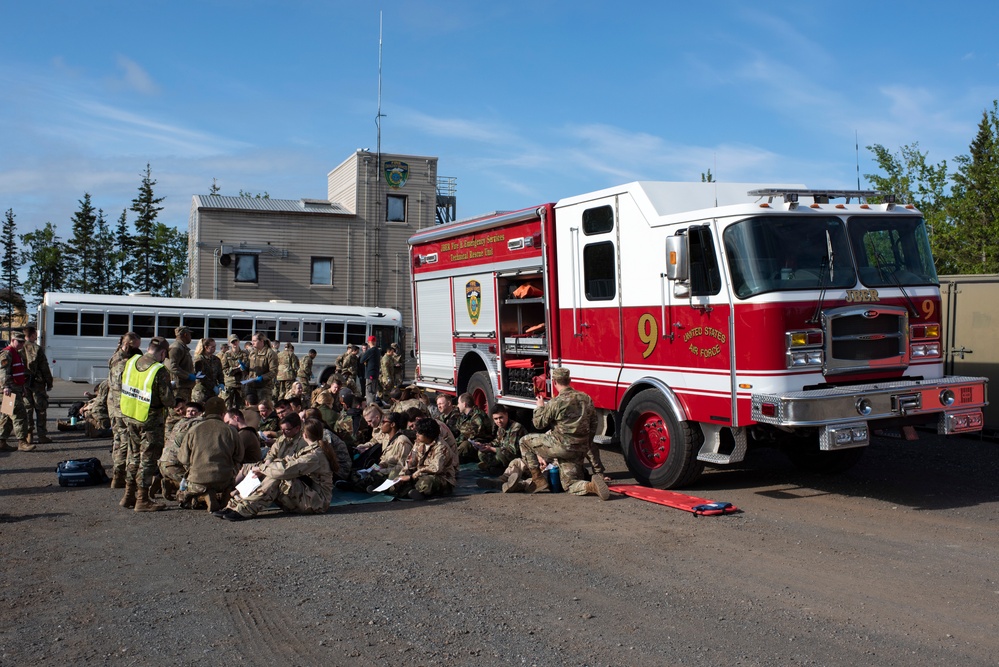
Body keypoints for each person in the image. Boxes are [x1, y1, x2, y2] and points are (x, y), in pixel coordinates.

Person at [216, 415, 335, 521]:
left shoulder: (315, 455)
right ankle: (234, 505)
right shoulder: (312, 450)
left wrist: (263, 469)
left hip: (317, 502)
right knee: (261, 469)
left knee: (276, 477)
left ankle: (245, 509)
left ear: (304, 434)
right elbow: (286, 460)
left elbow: (286, 469)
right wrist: (262, 467)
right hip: (309, 496)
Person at [518, 368, 609, 500]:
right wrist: (586, 443)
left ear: (554, 382)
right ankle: (591, 486)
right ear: (570, 380)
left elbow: (538, 424)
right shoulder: (586, 398)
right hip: (579, 448)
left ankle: (538, 479)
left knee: (524, 442)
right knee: (570, 484)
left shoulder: (556, 402)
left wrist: (539, 407)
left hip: (560, 446)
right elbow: (594, 423)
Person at [118, 336, 176, 512]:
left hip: (130, 415)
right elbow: (168, 400)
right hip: (150, 420)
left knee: (133, 456)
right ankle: (142, 499)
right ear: (163, 353)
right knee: (148, 459)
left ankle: (128, 495)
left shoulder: (132, 361)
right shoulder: (159, 370)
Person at [177, 396, 240, 512]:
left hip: (198, 480)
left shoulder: (194, 430)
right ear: (223, 413)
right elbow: (239, 456)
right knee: (230, 477)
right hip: (224, 479)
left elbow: (183, 458)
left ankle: (205, 494)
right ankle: (226, 493)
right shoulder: (231, 431)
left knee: (182, 496)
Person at [386, 417, 459, 501]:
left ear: (428, 434)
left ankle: (414, 492)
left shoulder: (441, 447)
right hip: (419, 475)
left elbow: (436, 469)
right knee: (395, 473)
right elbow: (410, 462)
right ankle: (400, 490)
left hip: (441, 477)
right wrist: (402, 475)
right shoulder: (419, 442)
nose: (416, 434)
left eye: (420, 433)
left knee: (427, 482)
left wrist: (411, 477)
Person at [108, 333, 142, 486]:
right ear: (129, 345)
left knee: (118, 441)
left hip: (114, 407)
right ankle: (120, 475)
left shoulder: (115, 357)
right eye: (136, 346)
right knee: (125, 443)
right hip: (123, 408)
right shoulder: (125, 363)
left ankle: (117, 474)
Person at [158, 401, 205, 501]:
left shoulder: (179, 423)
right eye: (188, 411)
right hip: (174, 465)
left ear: (200, 413)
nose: (191, 413)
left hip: (163, 463)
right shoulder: (197, 422)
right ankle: (172, 484)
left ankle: (168, 482)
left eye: (193, 411)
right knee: (198, 486)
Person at [0, 332, 34, 452]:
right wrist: (5, 387)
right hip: (10, 391)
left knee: (7, 416)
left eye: (23, 342)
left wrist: (22, 387)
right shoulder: (7, 353)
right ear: (12, 340)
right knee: (19, 414)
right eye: (19, 342)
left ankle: (2, 441)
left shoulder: (16, 354)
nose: (21, 344)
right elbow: (3, 371)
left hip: (16, 389)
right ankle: (22, 442)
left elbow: (18, 372)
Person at [21, 325, 53, 445]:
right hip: (37, 383)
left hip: (23, 383)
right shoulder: (37, 349)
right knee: (41, 409)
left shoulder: (18, 348)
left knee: (27, 409)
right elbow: (44, 367)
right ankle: (41, 435)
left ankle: (29, 434)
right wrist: (49, 382)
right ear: (33, 334)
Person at [473, 404, 526, 474]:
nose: (499, 421)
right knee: (481, 453)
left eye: (501, 417)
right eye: (496, 419)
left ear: (506, 415)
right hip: (504, 454)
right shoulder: (501, 427)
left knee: (499, 456)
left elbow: (513, 452)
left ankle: (496, 468)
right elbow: (497, 441)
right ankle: (494, 467)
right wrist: (485, 445)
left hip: (518, 458)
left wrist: (491, 449)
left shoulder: (516, 428)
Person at [454, 392, 493, 463]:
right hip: (471, 442)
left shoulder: (478, 415)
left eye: (459, 403)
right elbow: (460, 432)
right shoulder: (463, 416)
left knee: (464, 446)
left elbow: (471, 434)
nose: (457, 405)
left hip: (480, 444)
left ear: (464, 404)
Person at [167, 326, 199, 402]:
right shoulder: (176, 348)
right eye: (189, 335)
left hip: (184, 386)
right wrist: (187, 376)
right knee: (178, 410)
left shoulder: (182, 347)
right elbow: (172, 367)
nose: (190, 337)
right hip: (179, 387)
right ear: (185, 335)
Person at [247, 333, 279, 403]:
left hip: (264, 388)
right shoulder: (252, 353)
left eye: (254, 341)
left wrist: (262, 377)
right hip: (251, 387)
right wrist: (244, 367)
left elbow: (273, 371)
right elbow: (249, 368)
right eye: (252, 341)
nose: (252, 343)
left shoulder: (270, 353)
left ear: (261, 341)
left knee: (264, 409)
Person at [220, 334, 248, 410]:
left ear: (239, 341)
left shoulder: (244, 354)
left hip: (241, 383)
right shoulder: (227, 354)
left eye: (236, 341)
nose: (235, 343)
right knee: (227, 406)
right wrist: (235, 369)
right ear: (229, 343)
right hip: (230, 383)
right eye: (232, 342)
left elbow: (248, 366)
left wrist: (244, 368)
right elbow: (224, 369)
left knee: (241, 408)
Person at [191, 338, 223, 404]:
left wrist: (221, 383)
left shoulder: (216, 359)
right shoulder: (199, 360)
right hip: (201, 391)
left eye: (215, 346)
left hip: (212, 392)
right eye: (212, 347)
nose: (214, 348)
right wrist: (213, 386)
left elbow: (220, 373)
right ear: (206, 347)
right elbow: (199, 376)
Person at [358, 335, 381, 406]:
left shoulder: (370, 351)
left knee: (369, 392)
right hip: (376, 373)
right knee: (374, 391)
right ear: (375, 342)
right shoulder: (378, 350)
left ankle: (370, 408)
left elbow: (361, 360)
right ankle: (373, 407)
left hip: (370, 373)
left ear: (369, 342)